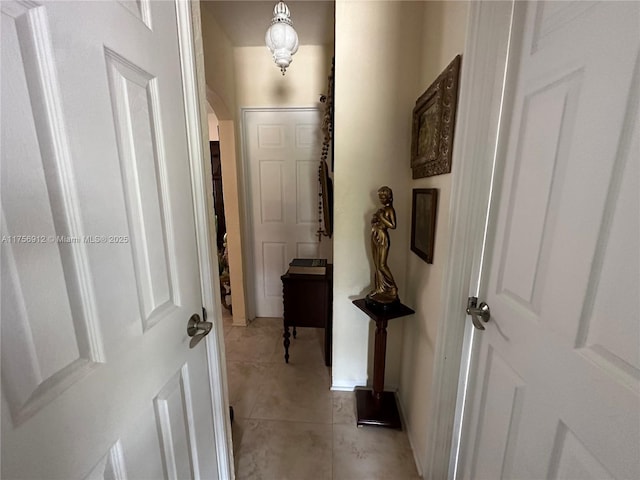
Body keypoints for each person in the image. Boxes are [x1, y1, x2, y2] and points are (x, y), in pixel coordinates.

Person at [367, 186, 399, 306]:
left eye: (383, 197)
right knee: (376, 264)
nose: (381, 199)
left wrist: (380, 217)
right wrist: (375, 220)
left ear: (389, 197)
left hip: (382, 238)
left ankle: (393, 288)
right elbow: (375, 221)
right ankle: (380, 288)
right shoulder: (382, 209)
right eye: (380, 197)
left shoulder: (390, 209)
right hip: (375, 235)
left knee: (382, 264)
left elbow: (393, 225)